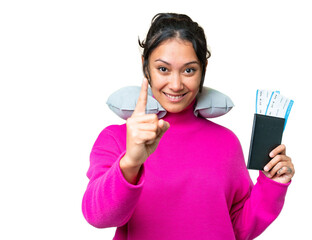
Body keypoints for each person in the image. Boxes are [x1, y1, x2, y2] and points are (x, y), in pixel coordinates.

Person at [82, 13, 295, 240]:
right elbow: (98, 217)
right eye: (163, 69)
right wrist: (131, 163)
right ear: (146, 68)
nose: (176, 84)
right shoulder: (116, 138)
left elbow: (237, 228)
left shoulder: (226, 142)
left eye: (189, 70)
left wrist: (273, 185)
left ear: (203, 70)